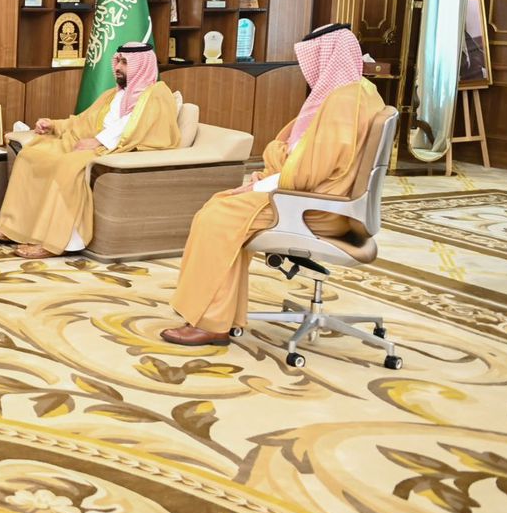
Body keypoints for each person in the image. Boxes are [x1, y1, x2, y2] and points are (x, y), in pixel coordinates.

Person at [160, 24, 383, 346]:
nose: (308, 70)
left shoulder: (342, 103)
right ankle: (217, 316)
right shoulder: (363, 92)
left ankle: (211, 323)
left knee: (216, 218)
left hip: (312, 206)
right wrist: (272, 173)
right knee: (222, 206)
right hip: (328, 202)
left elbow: (305, 172)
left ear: (328, 57)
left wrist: (270, 168)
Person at [0, 42, 179, 258]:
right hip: (94, 143)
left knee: (68, 166)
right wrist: (54, 125)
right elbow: (83, 120)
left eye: (125, 63)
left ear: (141, 65)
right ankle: (15, 228)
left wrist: (98, 141)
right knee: (31, 155)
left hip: (120, 149)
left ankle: (55, 242)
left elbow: (135, 127)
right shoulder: (112, 95)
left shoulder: (156, 94)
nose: (117, 67)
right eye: (117, 61)